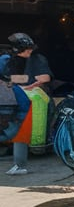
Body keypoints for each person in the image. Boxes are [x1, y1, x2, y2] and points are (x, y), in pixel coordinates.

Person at [3, 33, 49, 175]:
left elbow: (45, 77)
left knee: (20, 132)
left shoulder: (37, 59)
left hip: (26, 101)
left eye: (30, 49)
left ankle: (20, 165)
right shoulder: (8, 60)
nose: (29, 52)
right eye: (26, 49)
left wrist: (28, 83)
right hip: (12, 100)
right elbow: (8, 79)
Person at [0, 54, 31, 175]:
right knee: (18, 138)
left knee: (17, 137)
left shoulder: (10, 84)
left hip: (17, 115)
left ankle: (20, 166)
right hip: (19, 113)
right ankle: (19, 165)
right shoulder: (13, 83)